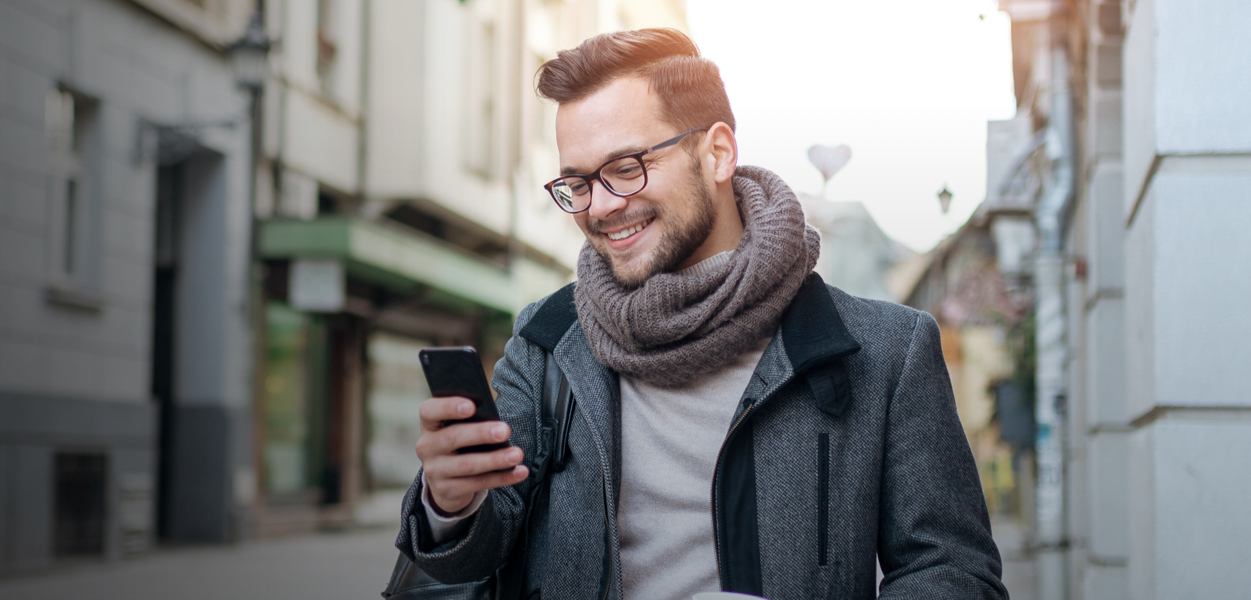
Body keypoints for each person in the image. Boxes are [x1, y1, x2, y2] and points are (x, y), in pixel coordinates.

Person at [396, 28, 1008, 600]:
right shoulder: (546, 341)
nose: (601, 207)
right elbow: (475, 554)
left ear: (717, 153)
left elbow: (954, 572)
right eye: (577, 182)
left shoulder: (885, 352)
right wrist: (453, 505)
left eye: (626, 168)